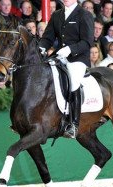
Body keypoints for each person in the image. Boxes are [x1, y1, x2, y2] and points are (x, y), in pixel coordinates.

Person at [39, 0, 94, 139]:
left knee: (74, 81)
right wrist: (41, 47)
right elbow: (48, 37)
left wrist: (70, 49)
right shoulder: (57, 14)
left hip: (78, 58)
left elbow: (87, 41)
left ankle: (74, 124)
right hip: (59, 55)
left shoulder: (84, 14)